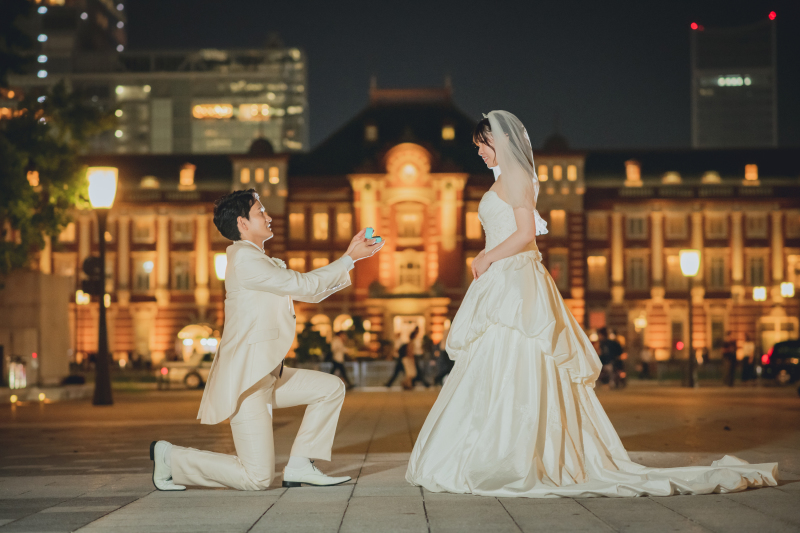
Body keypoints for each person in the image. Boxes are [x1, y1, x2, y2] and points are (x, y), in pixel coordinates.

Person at [405, 110, 777, 497]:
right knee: (498, 361)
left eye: (482, 145)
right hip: (504, 278)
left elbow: (527, 234)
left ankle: (514, 452)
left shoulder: (516, 177)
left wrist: (486, 257)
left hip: (512, 275)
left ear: (497, 141)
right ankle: (492, 446)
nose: (479, 153)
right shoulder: (507, 178)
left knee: (519, 356)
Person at [149, 189, 383, 491]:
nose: (269, 217)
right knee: (257, 478)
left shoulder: (256, 259)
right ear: (242, 223)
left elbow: (309, 291)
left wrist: (349, 258)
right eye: (261, 212)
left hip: (267, 375)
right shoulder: (246, 261)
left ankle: (300, 464)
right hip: (247, 383)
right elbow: (305, 285)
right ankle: (170, 458)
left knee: (330, 388)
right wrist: (349, 258)